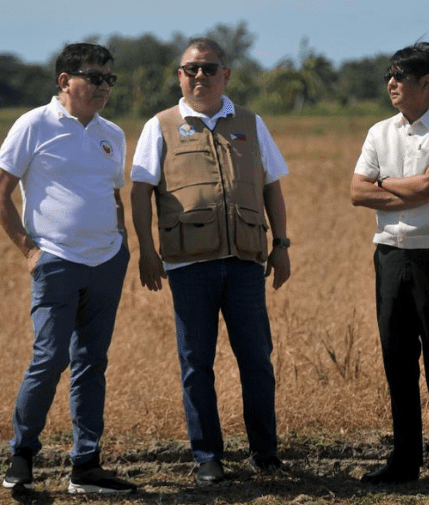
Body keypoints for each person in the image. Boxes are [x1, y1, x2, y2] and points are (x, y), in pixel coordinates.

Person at [130, 37, 291, 485]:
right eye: (190, 69)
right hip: (187, 264)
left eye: (208, 68)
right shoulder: (160, 125)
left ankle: (266, 453)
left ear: (226, 75)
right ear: (179, 76)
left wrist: (281, 245)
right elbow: (141, 191)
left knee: (256, 359)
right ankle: (207, 457)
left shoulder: (251, 123)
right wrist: (146, 250)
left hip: (244, 262)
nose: (199, 76)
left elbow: (272, 186)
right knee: (196, 362)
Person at [0, 43, 136, 495]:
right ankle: (22, 456)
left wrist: (123, 243)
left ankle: (85, 466)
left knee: (93, 363)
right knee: (50, 358)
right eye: (94, 77)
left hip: (107, 261)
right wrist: (31, 252)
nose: (104, 87)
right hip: (56, 261)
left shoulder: (113, 133)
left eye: (110, 79)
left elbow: (113, 196)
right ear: (65, 79)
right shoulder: (33, 124)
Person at [349, 42, 429, 487]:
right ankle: (405, 459)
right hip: (388, 252)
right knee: (397, 357)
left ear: (427, 82)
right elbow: (357, 193)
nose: (391, 83)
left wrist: (384, 182)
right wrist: (405, 187)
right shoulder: (379, 132)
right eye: (389, 75)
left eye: (400, 75)